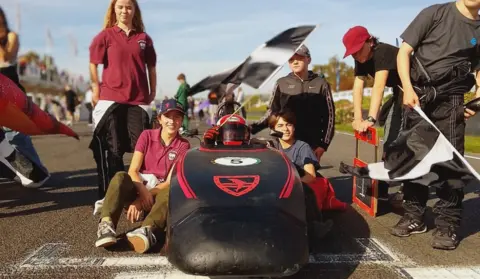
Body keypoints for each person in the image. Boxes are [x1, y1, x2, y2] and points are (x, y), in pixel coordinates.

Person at [393, 0, 480, 250]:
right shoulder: (435, 13)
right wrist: (408, 89)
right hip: (418, 97)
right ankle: (414, 215)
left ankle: (447, 224)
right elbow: (404, 52)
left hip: (452, 101)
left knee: (451, 164)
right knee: (415, 159)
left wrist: (475, 101)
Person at [95, 98, 190, 253]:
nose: (172, 121)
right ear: (160, 118)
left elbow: (167, 182)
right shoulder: (146, 135)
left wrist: (142, 200)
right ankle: (106, 225)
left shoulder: (183, 145)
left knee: (172, 189)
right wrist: (141, 193)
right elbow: (133, 170)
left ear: (182, 120)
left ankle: (147, 230)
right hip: (140, 187)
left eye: (177, 117)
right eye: (168, 116)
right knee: (120, 176)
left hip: (158, 194)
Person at [88, 0, 157, 199]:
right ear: (114, 10)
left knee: (141, 149)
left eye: (128, 7)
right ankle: (112, 195)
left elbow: (151, 67)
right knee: (113, 148)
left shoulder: (144, 38)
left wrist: (152, 90)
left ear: (134, 10)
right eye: (120, 7)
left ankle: (141, 194)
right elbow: (93, 64)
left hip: (138, 99)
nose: (124, 10)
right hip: (111, 98)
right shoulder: (105, 36)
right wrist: (95, 87)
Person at [342, 26, 404, 206]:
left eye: (358, 51)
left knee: (405, 142)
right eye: (352, 53)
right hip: (398, 94)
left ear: (370, 41)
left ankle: (408, 190)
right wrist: (356, 117)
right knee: (390, 142)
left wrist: (370, 119)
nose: (356, 56)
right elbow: (358, 87)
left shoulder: (382, 51)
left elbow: (379, 86)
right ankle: (382, 189)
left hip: (416, 92)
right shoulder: (359, 57)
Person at [249, 45, 335, 164]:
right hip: (284, 141)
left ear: (308, 59)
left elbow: (329, 117)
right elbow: (272, 112)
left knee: (308, 177)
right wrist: (251, 128)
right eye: (291, 59)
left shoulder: (321, 84)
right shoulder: (281, 83)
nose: (295, 62)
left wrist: (323, 145)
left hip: (311, 143)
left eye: (299, 58)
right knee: (285, 176)